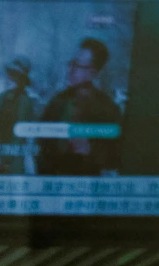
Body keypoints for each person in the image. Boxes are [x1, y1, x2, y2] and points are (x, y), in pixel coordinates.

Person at [37, 37, 122, 177]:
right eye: (71, 63)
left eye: (77, 66)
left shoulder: (108, 108)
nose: (70, 70)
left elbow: (116, 154)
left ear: (93, 72)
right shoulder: (58, 102)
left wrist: (91, 149)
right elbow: (41, 142)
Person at [0, 56, 40, 174]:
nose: (9, 78)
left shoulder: (26, 101)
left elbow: (21, 134)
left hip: (15, 157)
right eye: (9, 74)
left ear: (22, 80)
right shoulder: (0, 99)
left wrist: (6, 157)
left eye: (14, 75)